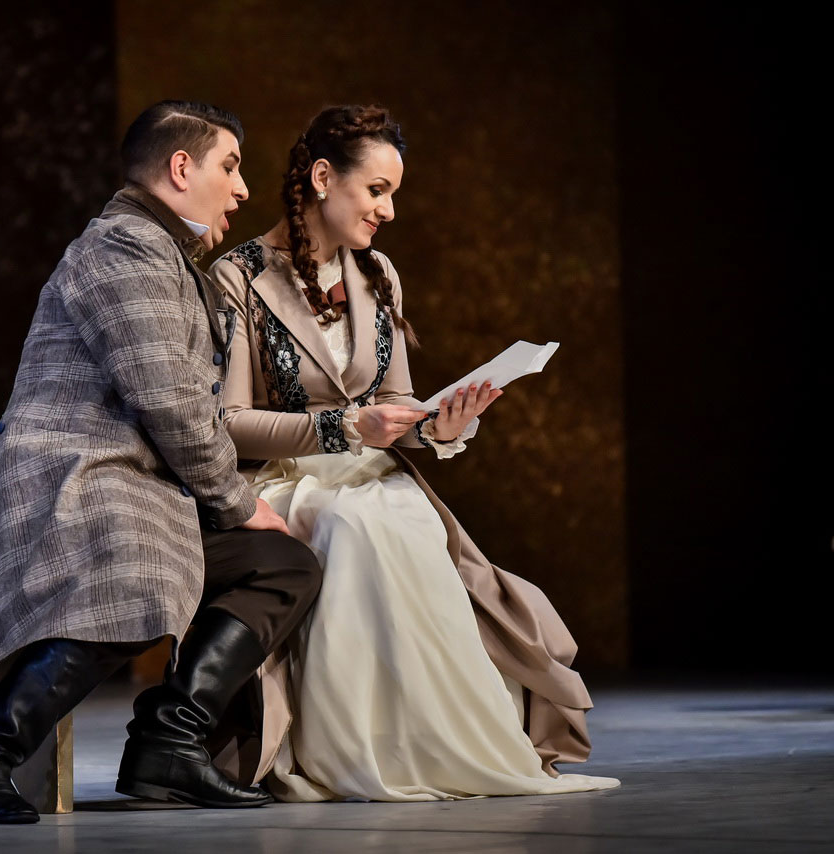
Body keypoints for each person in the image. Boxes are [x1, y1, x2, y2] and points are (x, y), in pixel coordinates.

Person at [0, 101, 323, 823]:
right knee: (137, 571)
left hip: (137, 488)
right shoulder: (124, 247)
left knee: (282, 564)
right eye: (230, 167)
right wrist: (237, 501)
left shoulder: (166, 252)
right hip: (75, 483)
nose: (241, 189)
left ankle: (170, 742)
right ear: (181, 167)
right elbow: (169, 400)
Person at [207, 104, 619, 801]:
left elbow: (396, 403)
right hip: (281, 477)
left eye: (392, 193)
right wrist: (345, 427)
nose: (389, 210)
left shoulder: (379, 274)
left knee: (407, 520)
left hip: (370, 468)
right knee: (352, 526)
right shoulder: (238, 275)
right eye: (377, 190)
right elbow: (231, 422)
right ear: (322, 178)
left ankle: (435, 745)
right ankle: (351, 748)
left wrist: (441, 426)